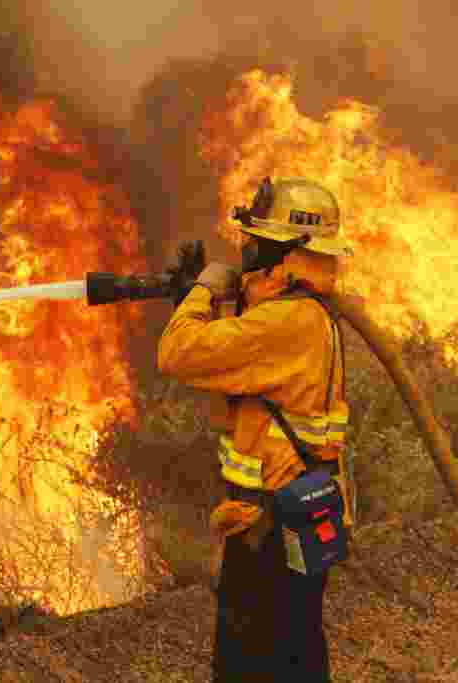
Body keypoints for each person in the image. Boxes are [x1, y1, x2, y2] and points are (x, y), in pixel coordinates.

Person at [157, 177, 354, 683]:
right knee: (295, 658)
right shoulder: (300, 314)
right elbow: (242, 352)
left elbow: (178, 353)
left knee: (253, 666)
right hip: (285, 519)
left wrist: (203, 292)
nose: (247, 251)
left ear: (288, 251)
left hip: (270, 530)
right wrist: (208, 297)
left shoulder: (288, 323)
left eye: (258, 241)